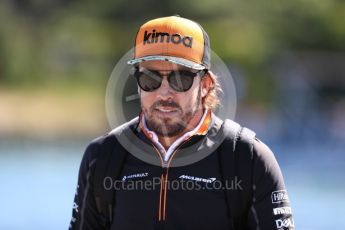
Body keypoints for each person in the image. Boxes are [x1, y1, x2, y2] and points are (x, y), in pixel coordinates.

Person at [69, 16, 294, 230]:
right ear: (137, 82)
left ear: (206, 84)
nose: (164, 93)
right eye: (150, 79)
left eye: (180, 79)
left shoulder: (248, 156)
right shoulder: (102, 156)